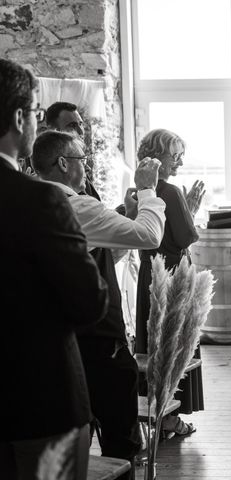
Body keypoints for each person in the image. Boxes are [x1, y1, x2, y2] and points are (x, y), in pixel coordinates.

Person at [32, 130, 166, 479]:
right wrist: (148, 189)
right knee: (120, 437)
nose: (86, 165)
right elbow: (150, 236)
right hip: (99, 337)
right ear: (63, 164)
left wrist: (127, 216)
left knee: (75, 435)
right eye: (81, 159)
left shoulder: (33, 203)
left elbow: (102, 255)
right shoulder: (75, 204)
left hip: (60, 339)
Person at [0, 59, 109, 480]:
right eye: (34, 113)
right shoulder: (42, 201)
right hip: (39, 403)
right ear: (17, 118)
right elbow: (90, 303)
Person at [135, 128, 205, 436]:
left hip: (150, 273)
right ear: (157, 157)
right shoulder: (171, 191)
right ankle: (170, 418)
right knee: (177, 343)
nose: (178, 162)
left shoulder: (139, 191)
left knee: (154, 344)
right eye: (174, 155)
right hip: (175, 274)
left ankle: (157, 415)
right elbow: (186, 237)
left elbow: (154, 233)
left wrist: (185, 212)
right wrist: (189, 212)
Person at [45, 101, 101, 199]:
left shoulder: (76, 162)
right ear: (54, 131)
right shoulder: (49, 170)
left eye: (80, 124)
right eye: (72, 126)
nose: (81, 131)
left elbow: (93, 207)